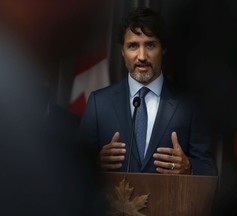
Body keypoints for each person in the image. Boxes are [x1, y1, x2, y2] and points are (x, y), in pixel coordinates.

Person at [78, 7, 217, 176]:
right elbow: (74, 169)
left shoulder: (191, 104)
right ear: (122, 51)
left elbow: (209, 170)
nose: (142, 56)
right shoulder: (98, 103)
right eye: (133, 46)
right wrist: (94, 163)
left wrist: (189, 167)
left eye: (150, 45)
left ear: (163, 49)